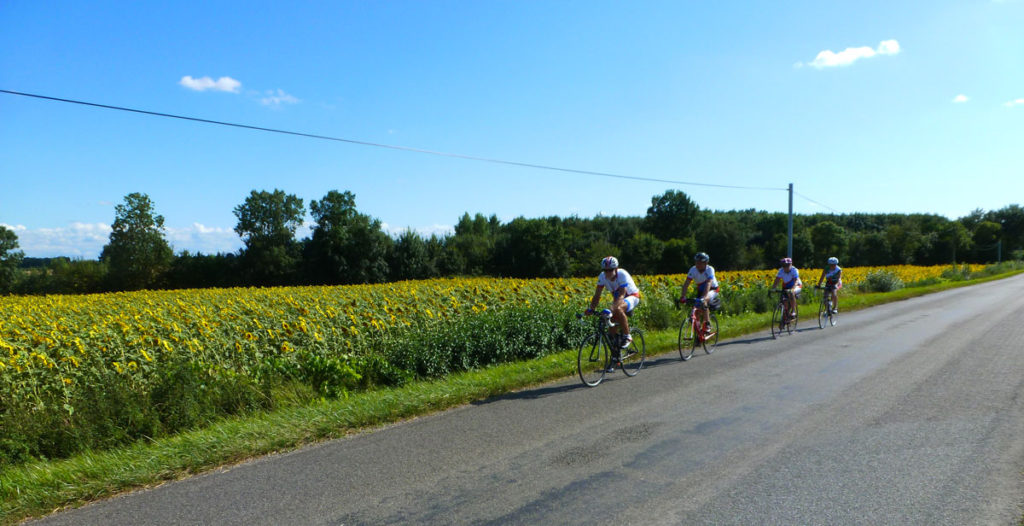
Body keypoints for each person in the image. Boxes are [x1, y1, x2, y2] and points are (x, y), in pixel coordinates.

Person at [585, 256, 641, 364]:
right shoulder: (602, 277)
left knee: (618, 309)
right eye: (605, 270)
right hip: (618, 300)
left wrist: (612, 308)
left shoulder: (622, 274)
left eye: (610, 270)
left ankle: (627, 335)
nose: (608, 272)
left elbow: (621, 295)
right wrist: (591, 309)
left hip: (632, 296)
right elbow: (597, 295)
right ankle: (615, 356)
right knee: (611, 329)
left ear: (616, 269)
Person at [678, 252, 720, 335]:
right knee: (696, 311)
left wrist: (704, 297)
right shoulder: (693, 270)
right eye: (696, 262)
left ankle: (708, 324)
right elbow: (686, 283)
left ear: (706, 263)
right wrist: (683, 296)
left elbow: (708, 283)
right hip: (701, 290)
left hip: (712, 289)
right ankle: (699, 333)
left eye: (700, 263)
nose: (698, 264)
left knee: (704, 301)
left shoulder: (710, 269)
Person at [771, 257, 802, 321]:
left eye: (787, 265)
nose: (785, 267)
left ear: (791, 264)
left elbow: (796, 280)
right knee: (784, 300)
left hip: (797, 285)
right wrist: (773, 288)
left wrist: (793, 289)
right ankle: (786, 316)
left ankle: (793, 311)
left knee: (791, 293)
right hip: (786, 286)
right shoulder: (781, 270)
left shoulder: (794, 270)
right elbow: (777, 280)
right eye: (784, 266)